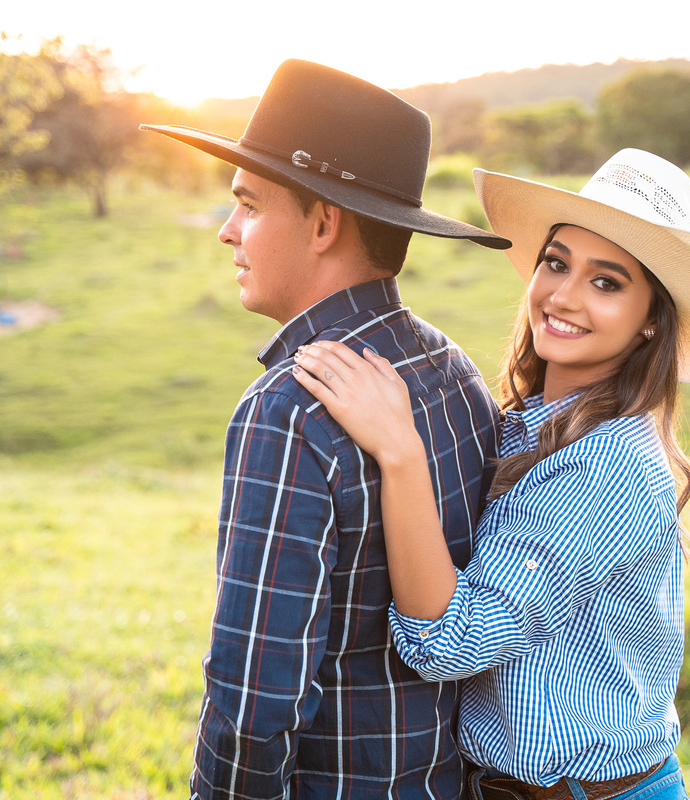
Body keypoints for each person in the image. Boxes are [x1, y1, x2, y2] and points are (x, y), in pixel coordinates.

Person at [292, 148, 690, 800]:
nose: (564, 295)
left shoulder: (605, 464)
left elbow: (450, 641)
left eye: (606, 283)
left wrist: (401, 454)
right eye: (556, 263)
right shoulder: (529, 426)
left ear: (652, 319)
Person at [141, 60, 510, 800]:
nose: (227, 231)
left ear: (322, 222)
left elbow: (255, 702)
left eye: (248, 204)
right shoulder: (452, 366)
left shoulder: (289, 411)